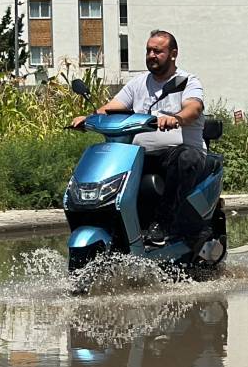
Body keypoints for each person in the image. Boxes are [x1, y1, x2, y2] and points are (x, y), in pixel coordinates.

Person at [72, 30, 206, 247]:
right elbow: (112, 107)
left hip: (178, 152)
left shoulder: (187, 82)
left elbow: (194, 107)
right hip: (142, 154)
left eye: (157, 51)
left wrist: (176, 118)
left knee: (186, 158)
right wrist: (88, 118)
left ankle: (163, 224)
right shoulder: (139, 83)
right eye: (148, 51)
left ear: (173, 54)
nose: (151, 55)